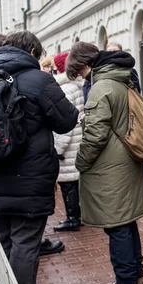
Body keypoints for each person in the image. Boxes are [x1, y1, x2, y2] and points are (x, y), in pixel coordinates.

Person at [0, 31, 79, 284]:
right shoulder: (39, 80)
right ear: (32, 52)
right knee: (26, 240)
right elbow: (66, 120)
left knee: (3, 239)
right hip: (31, 177)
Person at [66, 42, 143, 284]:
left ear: (85, 65)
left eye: (79, 72)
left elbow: (95, 134)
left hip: (109, 168)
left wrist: (81, 161)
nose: (80, 78)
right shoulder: (121, 80)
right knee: (126, 222)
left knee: (116, 226)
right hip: (125, 162)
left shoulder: (101, 87)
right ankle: (136, 277)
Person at [51, 52, 84, 232]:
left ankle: (73, 218)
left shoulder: (65, 90)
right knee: (74, 183)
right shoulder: (75, 86)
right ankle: (78, 215)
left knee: (68, 183)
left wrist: (58, 148)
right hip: (77, 142)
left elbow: (65, 123)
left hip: (68, 145)